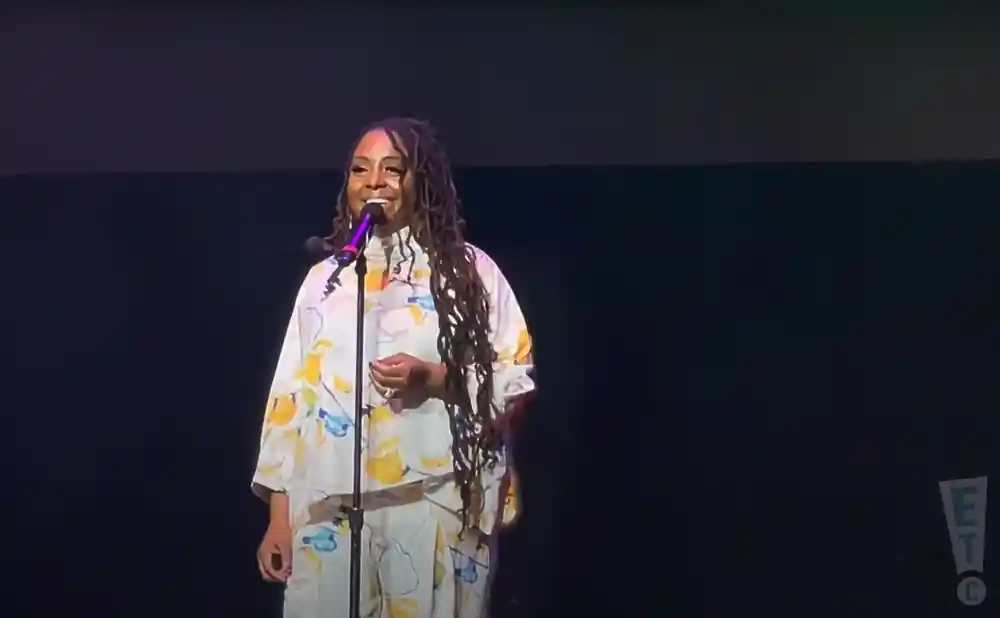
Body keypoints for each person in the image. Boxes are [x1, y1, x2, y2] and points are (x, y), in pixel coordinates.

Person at [251, 117, 536, 618]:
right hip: (327, 509)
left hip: (432, 499)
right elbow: (289, 401)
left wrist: (434, 378)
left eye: (391, 169)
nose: (374, 181)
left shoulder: (467, 272)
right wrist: (280, 514)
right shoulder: (327, 281)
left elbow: (515, 379)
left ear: (419, 181)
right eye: (361, 169)